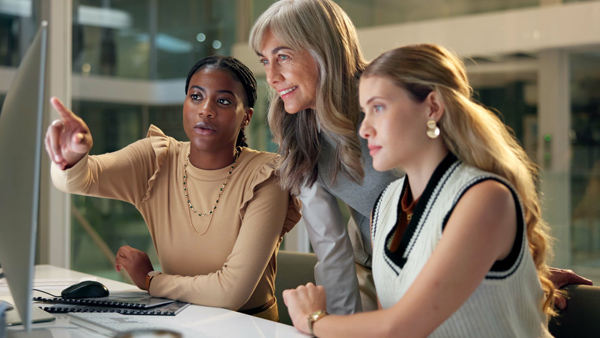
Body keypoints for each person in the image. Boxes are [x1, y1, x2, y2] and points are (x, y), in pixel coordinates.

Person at [250, 0, 591, 315]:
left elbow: (472, 187)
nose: (271, 77)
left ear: (322, 51)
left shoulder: (396, 102)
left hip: (446, 264)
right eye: (265, 60)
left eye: (283, 56)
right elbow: (330, 244)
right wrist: (341, 325)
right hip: (379, 268)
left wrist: (517, 263)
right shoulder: (298, 131)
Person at [283, 43, 559, 337]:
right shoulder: (386, 206)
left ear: (432, 107)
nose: (364, 129)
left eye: (378, 108)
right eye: (365, 111)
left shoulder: (485, 197)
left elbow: (399, 327)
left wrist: (311, 319)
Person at [45, 55, 301, 322]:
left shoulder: (266, 176)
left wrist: (151, 280)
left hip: (248, 327)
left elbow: (230, 292)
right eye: (196, 96)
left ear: (246, 117)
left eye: (223, 101)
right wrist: (71, 156)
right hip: (178, 320)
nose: (206, 110)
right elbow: (79, 179)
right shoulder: (157, 158)